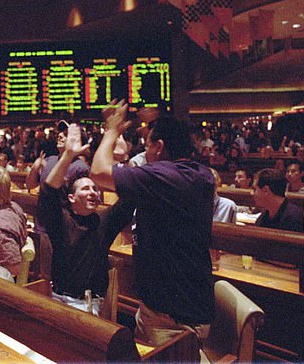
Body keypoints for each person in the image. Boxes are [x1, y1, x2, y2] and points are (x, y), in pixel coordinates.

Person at [91, 101, 215, 346]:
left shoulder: (169, 177)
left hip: (172, 320)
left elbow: (98, 171)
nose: (144, 154)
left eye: (147, 146)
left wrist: (112, 131)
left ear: (159, 147)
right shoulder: (191, 175)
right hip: (161, 308)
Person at [40, 123, 132, 315]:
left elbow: (130, 198)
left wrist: (123, 158)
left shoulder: (103, 221)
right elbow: (48, 192)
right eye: (85, 189)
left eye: (94, 189)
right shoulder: (62, 221)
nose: (92, 192)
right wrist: (68, 155)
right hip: (59, 299)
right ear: (71, 198)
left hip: (89, 305)